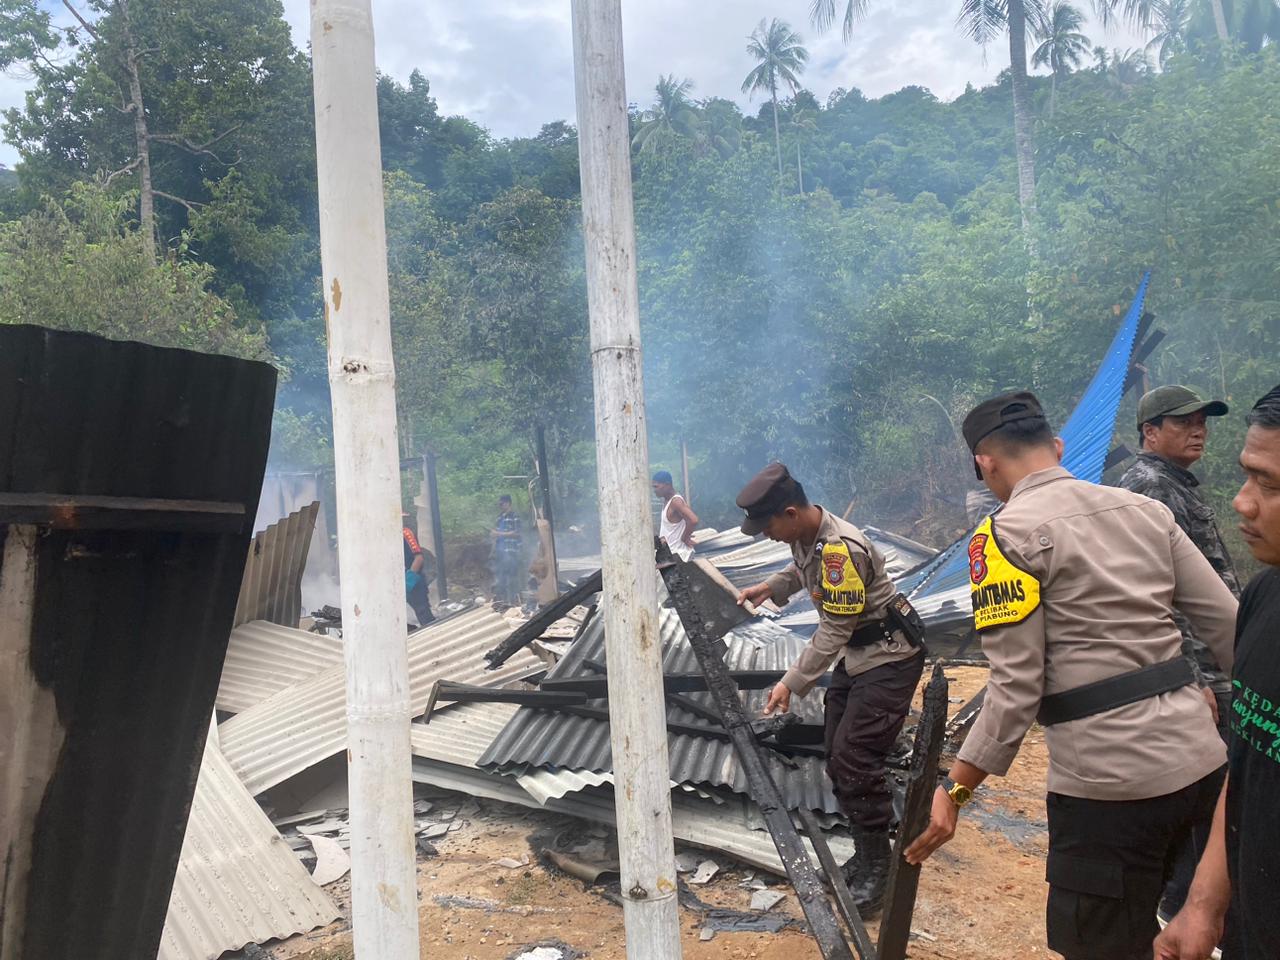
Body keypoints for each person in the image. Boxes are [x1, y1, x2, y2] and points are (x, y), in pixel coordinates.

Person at [903, 390, 1238, 960]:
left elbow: (1015, 689)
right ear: (1056, 447)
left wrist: (955, 790)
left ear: (984, 463)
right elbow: (1232, 628)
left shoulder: (1000, 539)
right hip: (1203, 764)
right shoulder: (1147, 511)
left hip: (1108, 788)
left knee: (1106, 944)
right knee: (1198, 925)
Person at [734, 463, 925, 913]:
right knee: (837, 752)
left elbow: (834, 631)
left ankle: (879, 870)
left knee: (856, 755)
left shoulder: (840, 550)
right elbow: (802, 572)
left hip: (889, 656)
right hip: (860, 655)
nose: (767, 536)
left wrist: (790, 682)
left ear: (791, 511)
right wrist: (770, 586)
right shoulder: (807, 537)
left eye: (768, 527)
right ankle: (868, 852)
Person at [1154, 384, 1280, 960]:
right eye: (1183, 422)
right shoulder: (1264, 596)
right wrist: (1204, 904)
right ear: (1150, 433)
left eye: (1271, 485)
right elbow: (1253, 758)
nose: (1244, 503)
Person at [1117, 385, 1238, 925]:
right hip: (1202, 670)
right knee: (1209, 791)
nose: (1199, 429)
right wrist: (1193, 678)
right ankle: (1182, 905)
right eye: (1184, 421)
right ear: (1150, 432)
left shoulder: (1173, 483)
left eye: (1203, 421)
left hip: (1217, 662)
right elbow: (1157, 594)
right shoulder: (1149, 488)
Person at [652, 469, 699, 561]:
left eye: (656, 486)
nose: (654, 490)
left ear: (667, 484)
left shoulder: (676, 501)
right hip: (670, 555)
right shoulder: (667, 501)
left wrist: (685, 537)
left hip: (679, 556)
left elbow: (693, 520)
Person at [402, 514, 435, 628]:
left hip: (414, 582)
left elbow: (418, 558)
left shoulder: (406, 533)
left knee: (423, 613)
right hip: (400, 583)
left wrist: (409, 579)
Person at [492, 494, 523, 606]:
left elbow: (517, 533)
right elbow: (496, 534)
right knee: (501, 578)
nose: (500, 506)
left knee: (512, 577)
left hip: (511, 551)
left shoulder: (514, 516)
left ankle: (514, 601)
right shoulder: (499, 517)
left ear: (508, 503)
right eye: (499, 504)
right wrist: (494, 537)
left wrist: (499, 534)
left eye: (502, 503)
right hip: (501, 552)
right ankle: (504, 602)